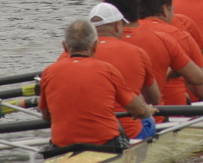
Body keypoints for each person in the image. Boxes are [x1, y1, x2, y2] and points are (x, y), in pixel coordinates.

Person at [39, 20, 153, 150]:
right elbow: (139, 110)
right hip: (105, 145)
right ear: (95, 46)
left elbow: (46, 116)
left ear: (65, 47)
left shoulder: (48, 72)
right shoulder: (107, 70)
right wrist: (147, 111)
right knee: (148, 121)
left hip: (62, 146)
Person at [99, 0, 203, 105]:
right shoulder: (167, 38)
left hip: (111, 119)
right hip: (160, 115)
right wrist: (174, 71)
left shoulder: (91, 47)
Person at [61, 2, 159, 141]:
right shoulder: (137, 53)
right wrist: (145, 110)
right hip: (126, 133)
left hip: (74, 136)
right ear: (117, 25)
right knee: (147, 114)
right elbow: (154, 99)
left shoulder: (63, 58)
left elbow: (48, 114)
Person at [138, 0, 203, 64]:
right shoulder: (180, 28)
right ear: (165, 9)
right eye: (172, 10)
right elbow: (200, 77)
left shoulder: (127, 30)